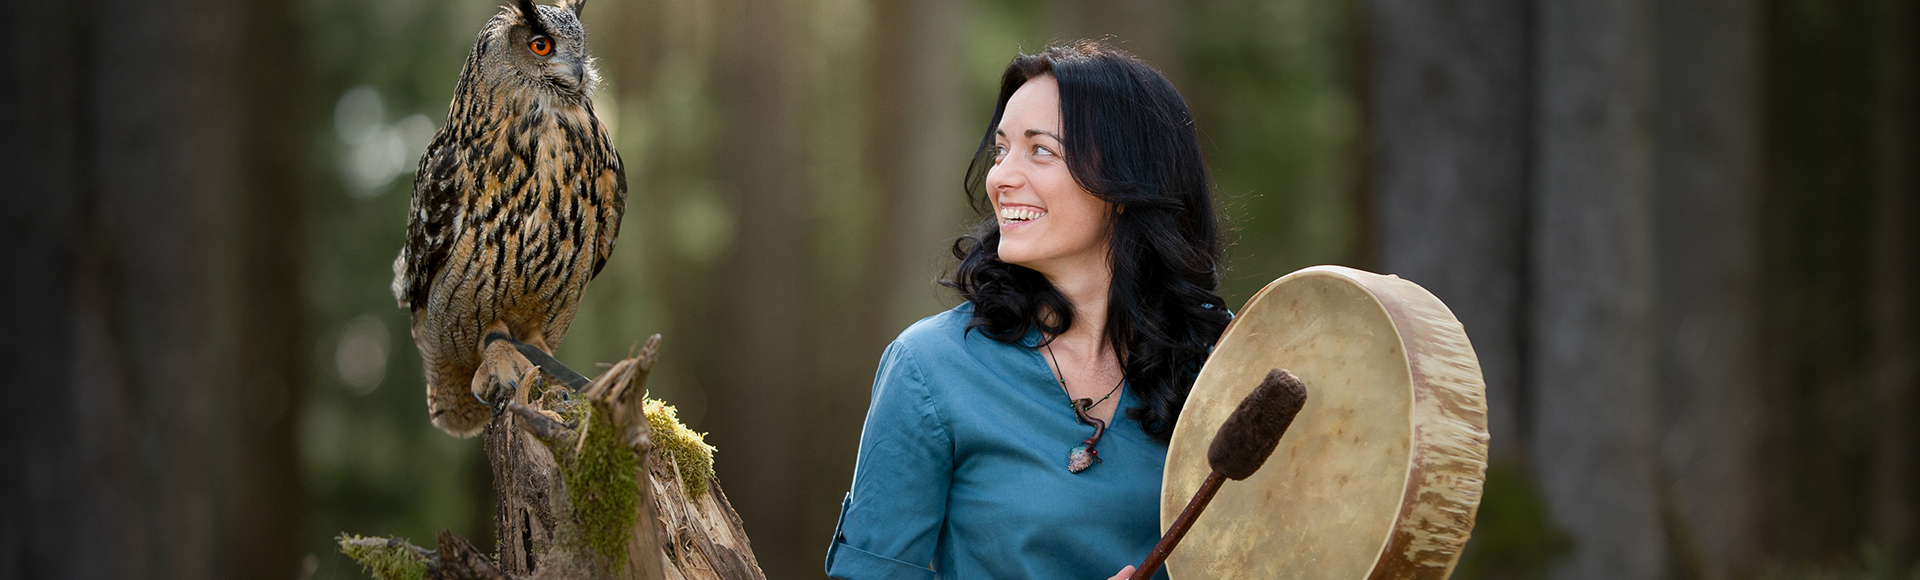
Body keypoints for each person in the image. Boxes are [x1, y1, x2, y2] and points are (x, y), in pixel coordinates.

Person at [824, 40, 1232, 580]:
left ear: (1127, 182)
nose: (1000, 178)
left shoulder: (1221, 358)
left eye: (1040, 150)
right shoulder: (930, 369)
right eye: (1000, 150)